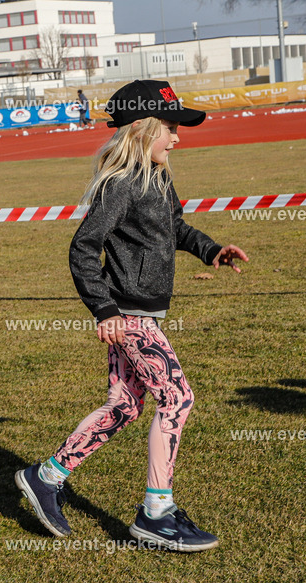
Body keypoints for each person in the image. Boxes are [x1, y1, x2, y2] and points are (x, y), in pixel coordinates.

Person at [15, 80, 249, 552]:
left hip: (143, 313)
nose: (177, 138)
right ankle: (156, 513)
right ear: (141, 130)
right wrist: (104, 310)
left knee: (124, 406)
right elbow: (83, 248)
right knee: (177, 399)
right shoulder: (120, 184)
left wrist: (211, 251)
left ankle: (45, 477)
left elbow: (175, 228)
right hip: (128, 315)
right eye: (170, 128)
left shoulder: (157, 177)